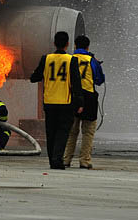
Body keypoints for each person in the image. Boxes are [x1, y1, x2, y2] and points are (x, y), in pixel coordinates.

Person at [29, 31, 83, 169]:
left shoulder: (45, 59)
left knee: (50, 132)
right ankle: (57, 159)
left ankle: (52, 160)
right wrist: (80, 103)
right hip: (65, 102)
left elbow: (34, 77)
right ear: (67, 44)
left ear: (54, 43)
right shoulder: (72, 60)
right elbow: (76, 83)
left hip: (49, 102)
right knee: (62, 132)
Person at [64, 34, 106, 169]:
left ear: (75, 46)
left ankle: (66, 159)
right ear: (88, 47)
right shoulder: (91, 60)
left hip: (72, 97)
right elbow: (99, 80)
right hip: (88, 97)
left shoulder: (69, 59)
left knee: (71, 131)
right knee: (88, 131)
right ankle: (84, 160)